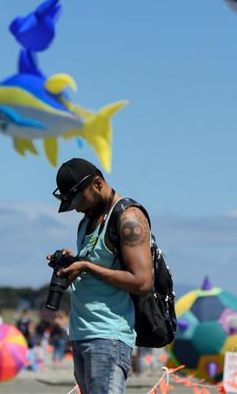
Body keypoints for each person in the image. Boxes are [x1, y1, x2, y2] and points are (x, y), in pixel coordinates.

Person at [49, 157, 153, 394]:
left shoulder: (129, 218)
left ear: (97, 183)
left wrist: (87, 266)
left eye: (78, 199)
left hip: (108, 336)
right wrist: (73, 262)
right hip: (81, 332)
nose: (76, 207)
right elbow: (95, 265)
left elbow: (143, 282)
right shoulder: (86, 222)